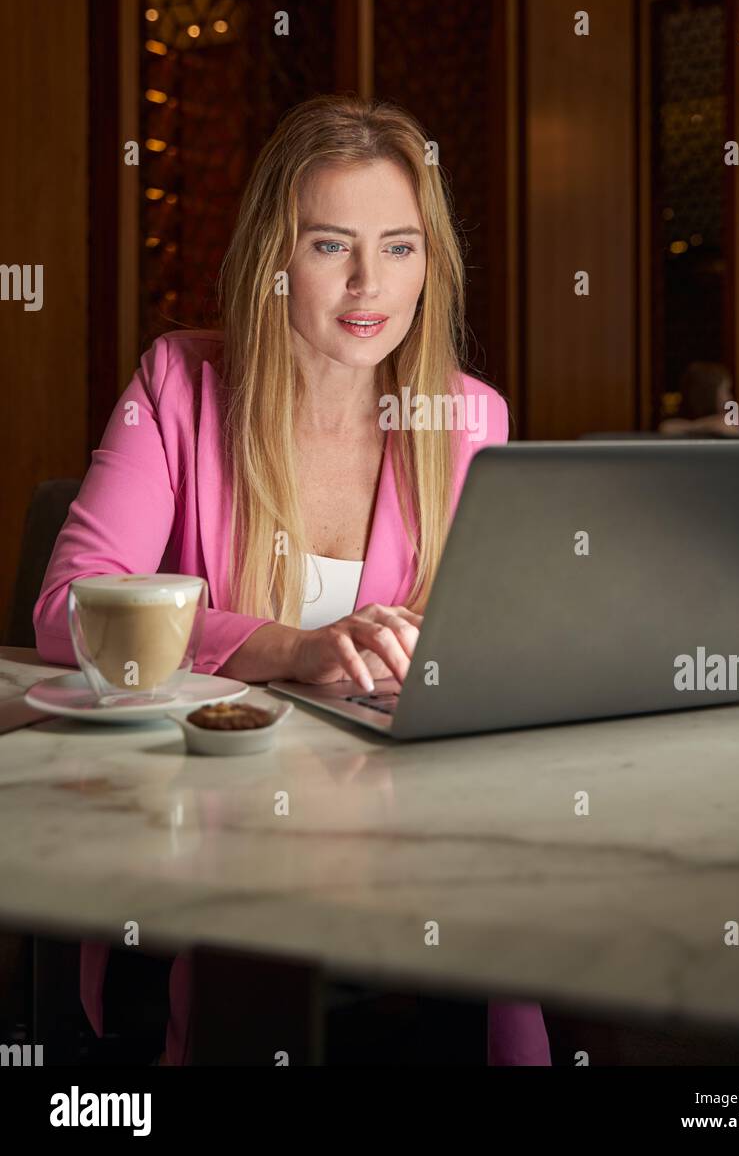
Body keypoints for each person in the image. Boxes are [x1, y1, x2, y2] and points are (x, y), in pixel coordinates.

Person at [33, 93, 551, 1067]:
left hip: (415, 843)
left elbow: (485, 648)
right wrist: (288, 649)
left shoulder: (470, 417)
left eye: (399, 246)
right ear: (276, 255)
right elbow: (68, 611)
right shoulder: (178, 386)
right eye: (329, 245)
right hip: (204, 839)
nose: (370, 282)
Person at [658, 361, 739, 438]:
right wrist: (707, 424)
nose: (730, 398)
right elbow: (666, 427)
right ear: (710, 394)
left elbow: (733, 430)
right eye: (726, 391)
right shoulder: (683, 416)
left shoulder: (731, 418)